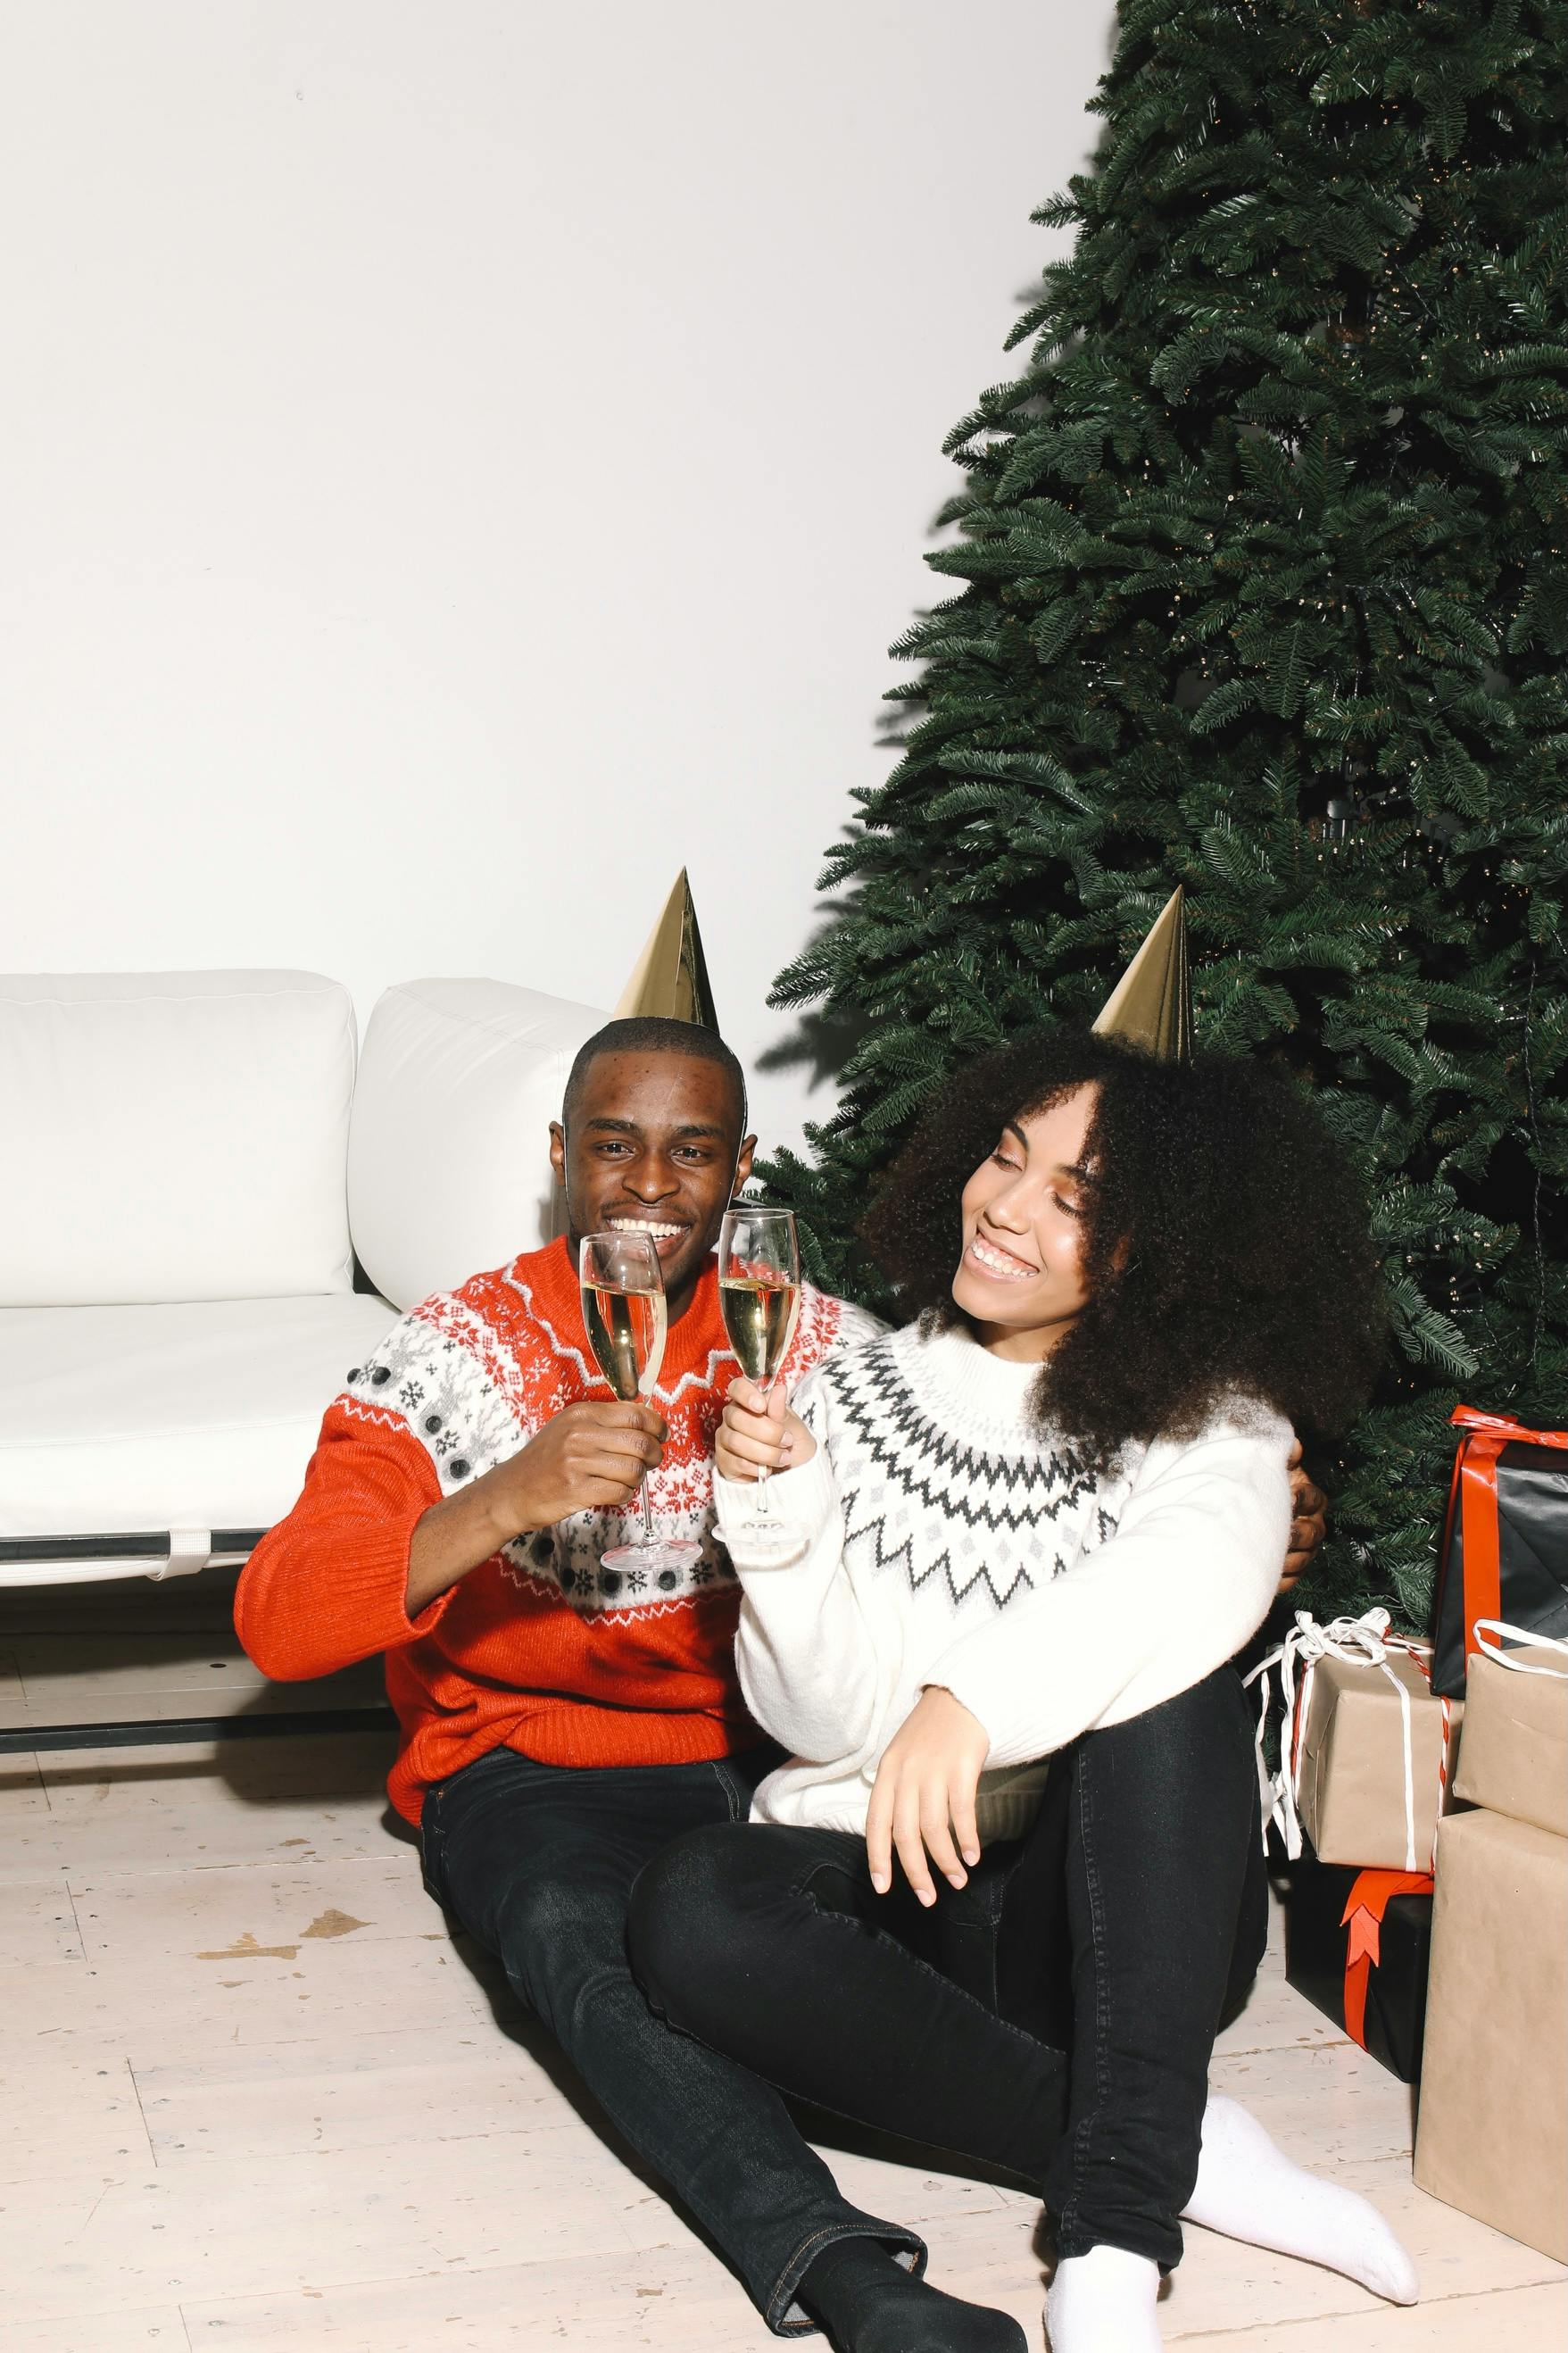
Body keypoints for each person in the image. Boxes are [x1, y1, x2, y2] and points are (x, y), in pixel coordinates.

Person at [235, 1015, 1326, 2344]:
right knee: (589, 1960)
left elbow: (1019, 1486)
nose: (648, 1186)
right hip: (535, 1772)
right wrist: (500, 1499)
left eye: (690, 1152)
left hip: (763, 1765)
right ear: (559, 1157)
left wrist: (1237, 1524)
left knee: (724, 1926)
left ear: (740, 1166)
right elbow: (280, 1621)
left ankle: (1129, 2169)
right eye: (613, 1147)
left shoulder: (826, 1348)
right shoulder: (455, 1349)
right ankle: (862, 2278)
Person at [628, 1029, 1418, 2353]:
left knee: (1163, 1689)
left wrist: (973, 1700)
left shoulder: (1214, 1420)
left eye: (1074, 1198)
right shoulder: (854, 1388)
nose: (1002, 1207)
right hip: (910, 1915)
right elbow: (820, 1730)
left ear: (1157, 1247)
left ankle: (1112, 2237)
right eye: (1004, 1157)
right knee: (690, 1907)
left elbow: (1190, 1575)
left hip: (1116, 1926)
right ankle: (1172, 2143)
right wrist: (772, 1518)